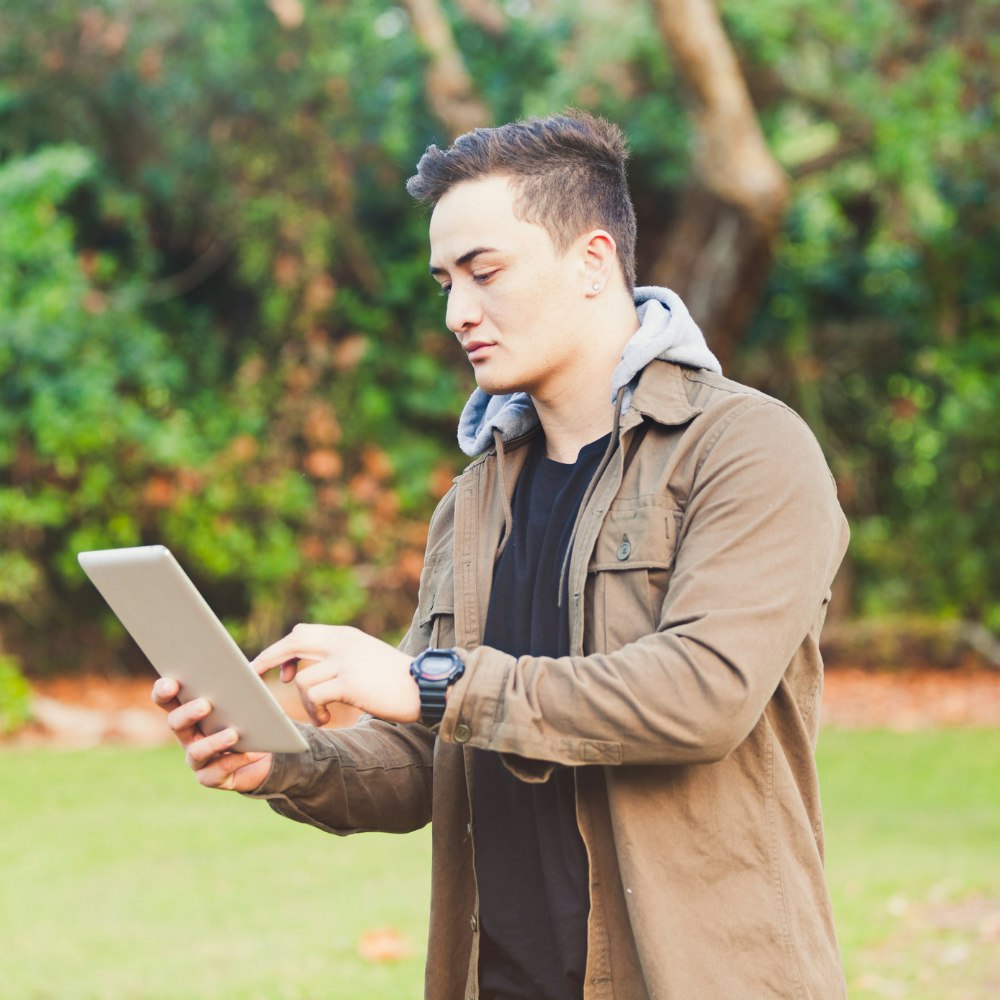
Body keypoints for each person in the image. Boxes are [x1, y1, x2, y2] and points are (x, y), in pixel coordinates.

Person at [153, 111, 850, 999]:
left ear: (594, 261)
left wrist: (436, 683)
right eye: (446, 281)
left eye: (485, 272)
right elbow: (425, 759)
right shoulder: (474, 501)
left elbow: (702, 696)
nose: (457, 312)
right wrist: (282, 759)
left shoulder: (747, 449)